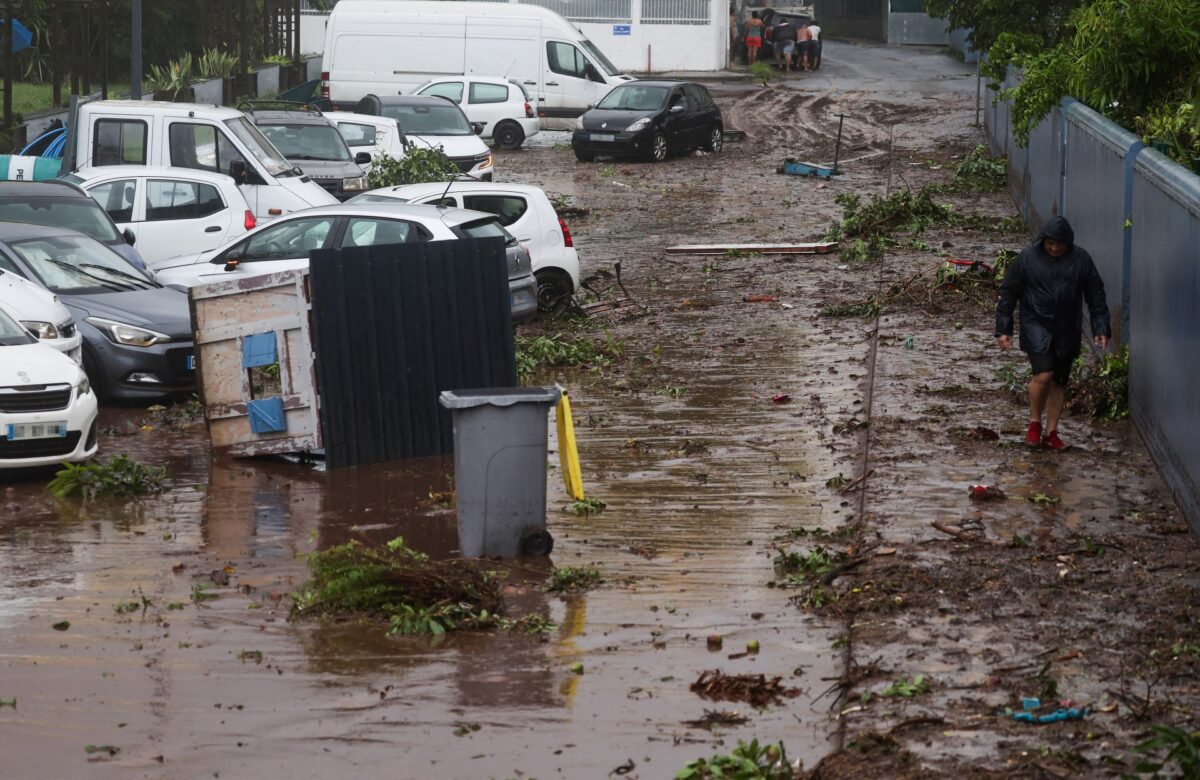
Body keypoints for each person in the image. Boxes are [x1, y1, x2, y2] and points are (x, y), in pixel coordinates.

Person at [995, 216, 1111, 450]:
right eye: (1050, 243)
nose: (1054, 248)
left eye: (1059, 244)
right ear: (1043, 240)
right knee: (1044, 374)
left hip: (1068, 326)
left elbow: (1095, 294)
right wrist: (1003, 328)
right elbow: (1009, 293)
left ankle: (1051, 432)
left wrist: (1101, 326)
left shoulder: (1081, 260)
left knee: (1060, 380)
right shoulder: (1027, 258)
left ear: (1068, 242)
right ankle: (1035, 423)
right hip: (1036, 323)